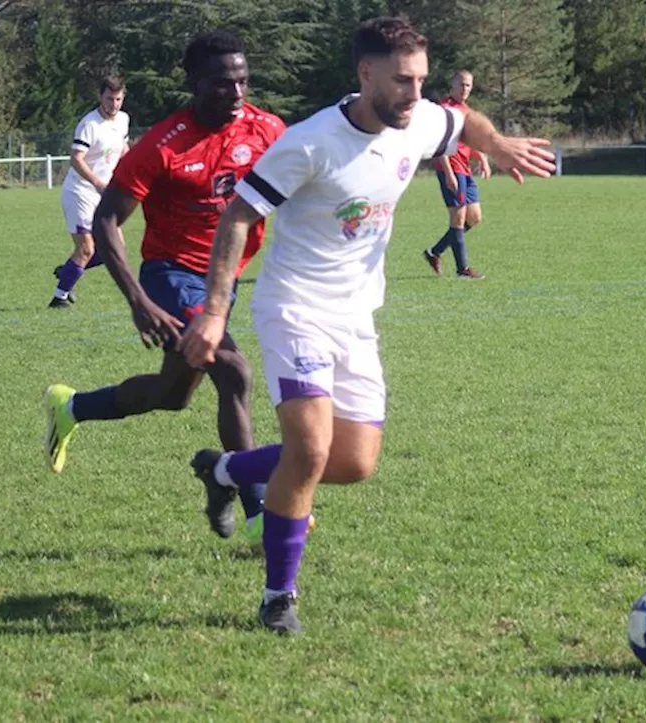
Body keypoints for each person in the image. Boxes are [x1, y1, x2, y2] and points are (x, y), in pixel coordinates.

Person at [181, 16, 556, 635]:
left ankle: (224, 470)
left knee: (353, 461)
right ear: (365, 73)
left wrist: (495, 144)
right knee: (309, 449)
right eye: (403, 81)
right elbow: (238, 219)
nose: (416, 95)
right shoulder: (309, 142)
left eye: (422, 80)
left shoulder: (422, 121)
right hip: (295, 307)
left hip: (357, 314)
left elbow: (463, 121)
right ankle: (279, 597)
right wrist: (215, 312)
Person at [43, 31, 286, 540]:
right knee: (235, 371)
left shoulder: (267, 130)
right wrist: (138, 301)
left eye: (243, 82)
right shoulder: (163, 143)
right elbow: (108, 220)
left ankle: (72, 406)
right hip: (172, 277)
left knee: (172, 395)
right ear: (194, 83)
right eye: (223, 85)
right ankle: (259, 509)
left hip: (224, 282)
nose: (237, 95)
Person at [51, 77, 131, 308]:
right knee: (86, 248)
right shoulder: (90, 124)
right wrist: (96, 181)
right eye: (109, 98)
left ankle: (69, 271)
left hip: (104, 193)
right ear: (100, 97)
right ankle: (60, 297)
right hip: (80, 192)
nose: (114, 104)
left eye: (118, 99)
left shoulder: (123, 120)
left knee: (116, 248)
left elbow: (122, 149)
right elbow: (76, 158)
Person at [423, 70, 490, 279]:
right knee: (458, 217)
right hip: (450, 169)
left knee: (475, 217)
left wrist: (483, 160)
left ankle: (434, 252)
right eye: (461, 84)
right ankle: (463, 270)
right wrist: (449, 174)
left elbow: (472, 140)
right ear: (452, 85)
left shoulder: (466, 111)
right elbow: (439, 145)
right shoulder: (444, 110)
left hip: (465, 169)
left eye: (468, 85)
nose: (465, 89)